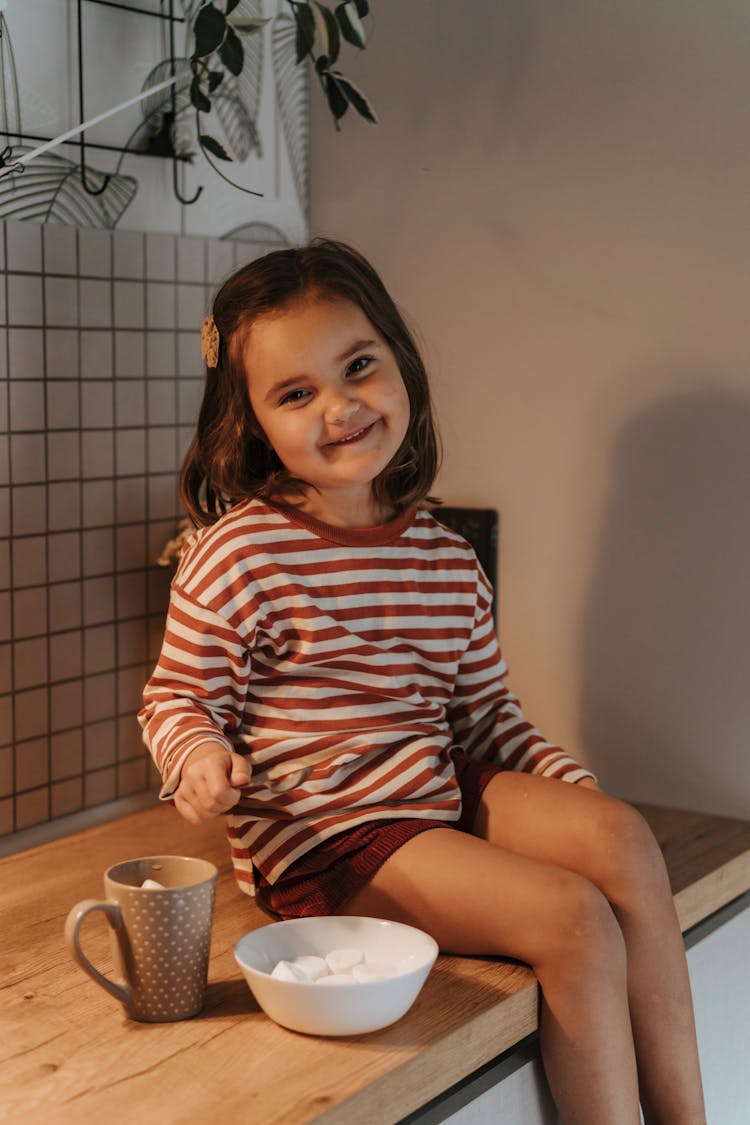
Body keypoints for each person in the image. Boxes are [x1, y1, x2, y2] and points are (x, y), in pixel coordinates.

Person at [140, 239, 706, 1124]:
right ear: (252, 421)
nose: (339, 407)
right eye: (296, 393)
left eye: (357, 366)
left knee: (622, 837)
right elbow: (177, 698)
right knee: (573, 917)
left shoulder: (443, 555)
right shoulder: (238, 551)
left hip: (427, 786)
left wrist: (570, 802)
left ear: (400, 360)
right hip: (325, 833)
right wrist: (200, 757)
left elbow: (486, 720)